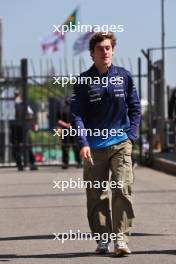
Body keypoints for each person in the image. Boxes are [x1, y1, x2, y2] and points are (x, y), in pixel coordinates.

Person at [71, 32, 141, 256]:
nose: (105, 52)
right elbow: (77, 115)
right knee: (96, 194)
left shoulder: (124, 76)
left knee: (122, 189)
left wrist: (131, 136)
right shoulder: (83, 81)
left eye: (108, 48)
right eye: (100, 48)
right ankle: (103, 239)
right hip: (94, 147)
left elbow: (135, 108)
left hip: (121, 143)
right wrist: (83, 142)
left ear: (113, 51)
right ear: (92, 54)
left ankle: (121, 239)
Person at [10, 90, 38, 171]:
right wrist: (32, 124)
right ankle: (31, 163)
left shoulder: (9, 105)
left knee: (16, 146)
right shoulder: (24, 104)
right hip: (23, 128)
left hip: (14, 127)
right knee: (28, 145)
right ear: (19, 95)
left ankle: (20, 165)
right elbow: (30, 115)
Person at [57, 97, 81, 169]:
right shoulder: (75, 109)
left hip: (65, 130)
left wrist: (66, 125)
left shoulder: (61, 109)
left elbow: (58, 121)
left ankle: (65, 163)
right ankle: (78, 162)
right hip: (73, 129)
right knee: (75, 146)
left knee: (65, 147)